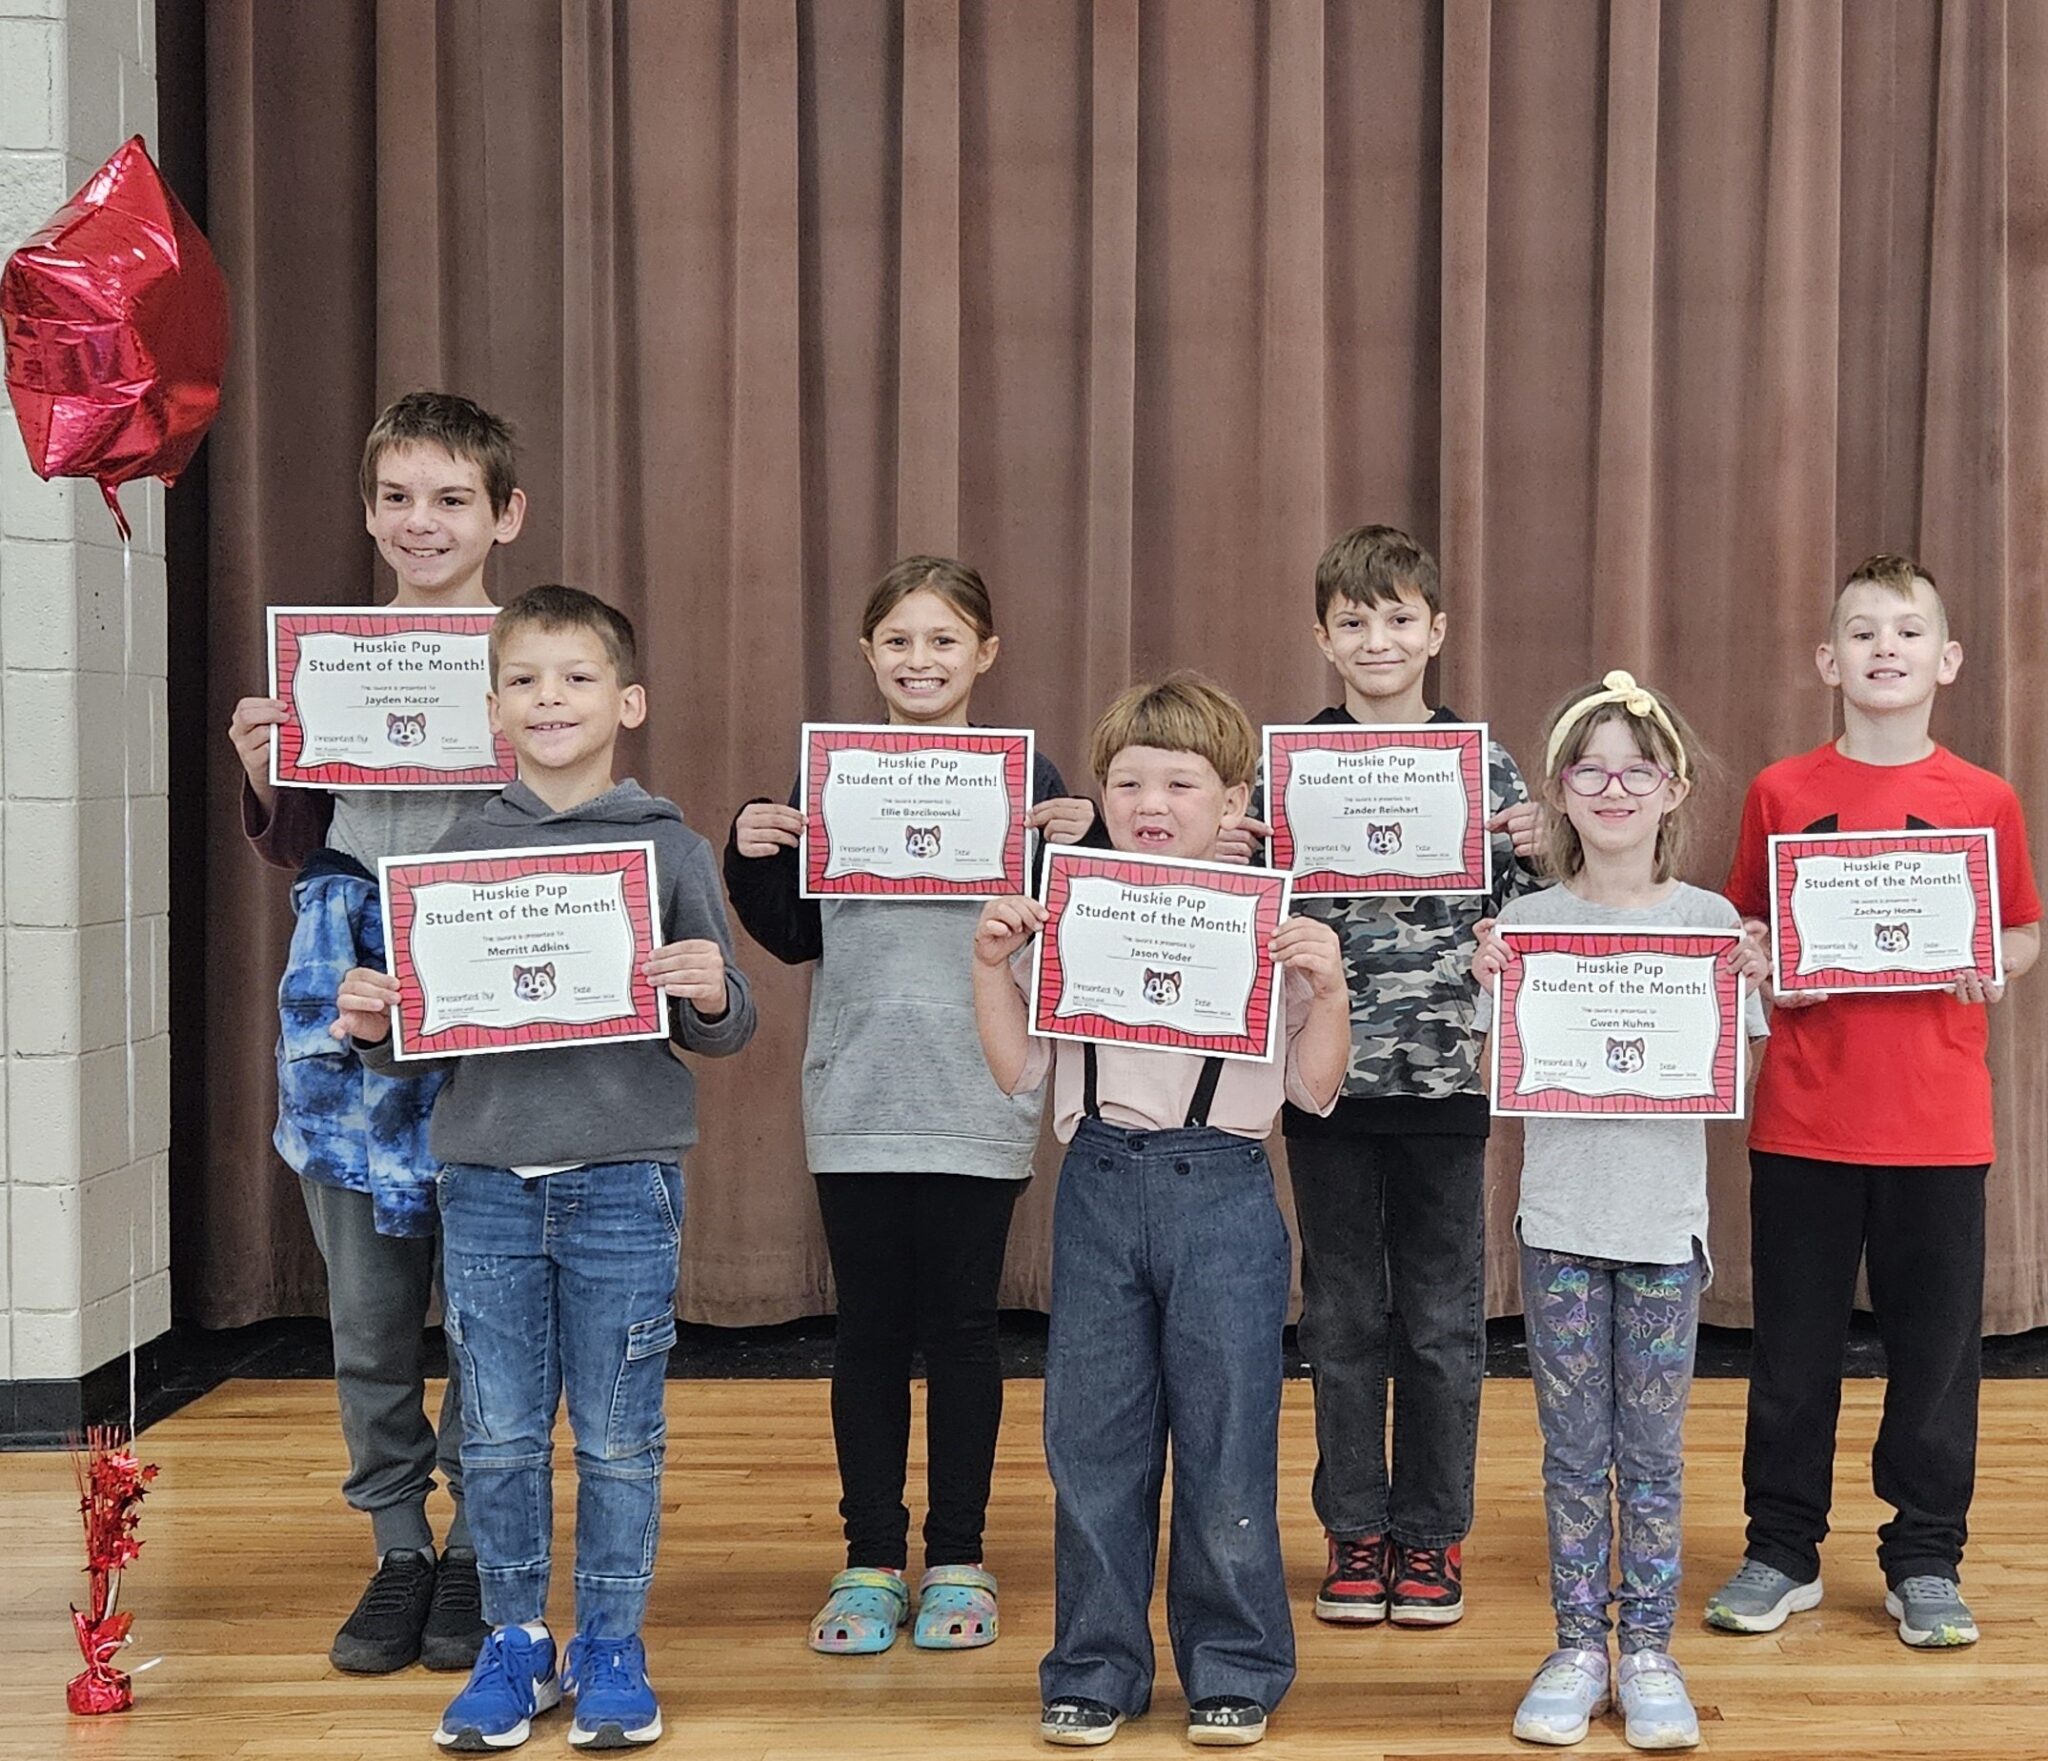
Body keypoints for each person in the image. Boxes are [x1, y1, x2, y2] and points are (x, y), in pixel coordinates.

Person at [337, 585, 758, 1750]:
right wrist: (374, 1026)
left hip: (625, 1180)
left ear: (628, 702)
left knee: (618, 1436)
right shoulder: (451, 853)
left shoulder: (669, 847)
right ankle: (514, 1646)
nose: (549, 698)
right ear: (493, 711)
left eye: (575, 677)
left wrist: (710, 992)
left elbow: (727, 1026)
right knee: (502, 1435)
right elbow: (420, 1043)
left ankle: (611, 1646)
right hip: (484, 1187)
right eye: (523, 680)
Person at [725, 555, 1094, 1655]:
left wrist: (1090, 848)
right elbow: (796, 933)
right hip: (857, 1092)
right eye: (897, 640)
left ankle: (960, 1555)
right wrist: (751, 855)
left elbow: (1084, 938)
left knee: (966, 1330)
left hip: (977, 1091)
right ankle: (871, 1558)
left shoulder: (1031, 781)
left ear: (985, 652)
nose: (919, 659)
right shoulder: (829, 776)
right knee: (870, 1334)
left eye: (943, 640)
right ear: (866, 654)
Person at [973, 675, 1350, 1749]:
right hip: (1098, 1183)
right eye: (1129, 781)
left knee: (1228, 1442)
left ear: (1232, 802)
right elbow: (1018, 1071)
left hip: (1223, 1188)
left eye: (1181, 783)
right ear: (1101, 794)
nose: (1151, 802)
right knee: (1092, 1442)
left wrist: (1329, 989)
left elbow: (1313, 1088)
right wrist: (989, 967)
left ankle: (1233, 1665)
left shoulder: (1267, 922)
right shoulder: (1070, 912)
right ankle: (1095, 1666)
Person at [227, 390, 527, 1673]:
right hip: (341, 986)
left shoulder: (539, 655)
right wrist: (265, 769)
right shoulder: (327, 659)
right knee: (367, 1307)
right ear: (367, 512)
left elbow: (574, 825)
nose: (423, 521)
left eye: (452, 498)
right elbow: (300, 842)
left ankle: (478, 1550)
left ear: (505, 515)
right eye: (398, 497)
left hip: (489, 980)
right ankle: (399, 1547)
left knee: (494, 1300)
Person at [1703, 555, 2039, 1650]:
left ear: (1946, 660)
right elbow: (1747, 927)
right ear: (1827, 660)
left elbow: (2023, 930)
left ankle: (1925, 1558)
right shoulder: (1779, 792)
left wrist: (1994, 958)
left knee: (1935, 1361)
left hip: (1938, 1129)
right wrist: (1762, 959)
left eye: (1906, 631)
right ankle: (1780, 1550)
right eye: (1860, 632)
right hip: (1804, 1122)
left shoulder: (1984, 798)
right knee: (1790, 1356)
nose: (1883, 647)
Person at [1474, 671, 1768, 1750]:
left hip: (1661, 1234)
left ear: (1672, 789)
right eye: (1589, 770)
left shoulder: (1708, 923)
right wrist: (1489, 983)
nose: (1612, 790)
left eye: (1635, 771)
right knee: (1569, 1452)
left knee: (1650, 1453)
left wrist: (1744, 983)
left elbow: (1732, 1074)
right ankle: (1575, 1647)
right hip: (1558, 1227)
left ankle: (1646, 1648)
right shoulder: (1525, 924)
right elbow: (1493, 1071)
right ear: (1558, 788)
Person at [1275, 525, 1539, 1628]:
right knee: (1339, 1319)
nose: (1375, 639)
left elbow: (1532, 922)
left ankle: (1429, 1535)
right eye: (1353, 620)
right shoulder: (1283, 765)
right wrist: (1236, 855)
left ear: (1436, 631)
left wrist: (1542, 852)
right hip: (1323, 1082)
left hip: (1446, 1083)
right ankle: (1353, 1529)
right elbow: (1248, 907)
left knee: (1437, 1321)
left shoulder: (1487, 766)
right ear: (1323, 638)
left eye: (1397, 618)